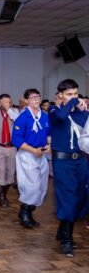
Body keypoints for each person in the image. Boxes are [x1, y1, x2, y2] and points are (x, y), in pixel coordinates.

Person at [50, 79, 88, 257]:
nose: (74, 97)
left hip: (81, 161)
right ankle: (66, 239)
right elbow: (60, 117)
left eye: (75, 94)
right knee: (68, 198)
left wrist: (82, 108)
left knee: (80, 197)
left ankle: (62, 229)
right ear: (60, 95)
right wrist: (73, 102)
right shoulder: (54, 110)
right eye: (69, 94)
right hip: (63, 162)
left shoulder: (82, 113)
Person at [11, 88, 51, 229]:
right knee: (31, 185)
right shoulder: (23, 118)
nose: (36, 99)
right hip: (27, 154)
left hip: (41, 154)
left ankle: (27, 211)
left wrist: (49, 145)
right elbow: (16, 139)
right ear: (27, 100)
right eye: (33, 97)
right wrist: (33, 150)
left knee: (42, 185)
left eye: (38, 96)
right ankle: (25, 214)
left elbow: (48, 133)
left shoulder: (44, 116)